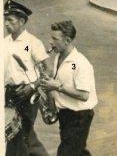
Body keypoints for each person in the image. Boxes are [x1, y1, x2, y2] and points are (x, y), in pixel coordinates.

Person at [40, 20, 97, 156]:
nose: (50, 42)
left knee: (66, 152)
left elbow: (84, 95)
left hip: (79, 117)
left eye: (55, 39)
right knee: (78, 151)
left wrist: (57, 86)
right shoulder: (58, 57)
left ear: (67, 41)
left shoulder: (80, 63)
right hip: (66, 115)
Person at [4, 0, 51, 156]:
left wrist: (32, 86)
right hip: (8, 95)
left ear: (22, 21)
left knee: (20, 136)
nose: (6, 24)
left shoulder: (32, 42)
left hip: (27, 95)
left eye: (10, 20)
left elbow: (48, 71)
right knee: (21, 137)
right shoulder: (4, 42)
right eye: (5, 20)